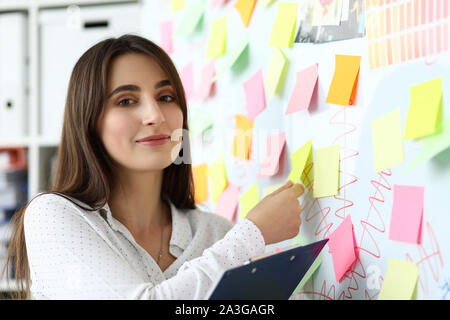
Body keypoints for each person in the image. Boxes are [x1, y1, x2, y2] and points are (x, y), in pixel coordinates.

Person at [1, 34, 304, 299]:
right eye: (126, 100)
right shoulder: (53, 215)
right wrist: (253, 234)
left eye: (166, 97)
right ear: (89, 121)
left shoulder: (217, 234)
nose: (155, 115)